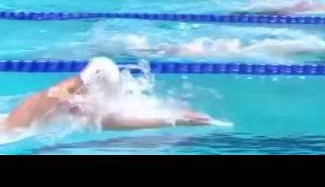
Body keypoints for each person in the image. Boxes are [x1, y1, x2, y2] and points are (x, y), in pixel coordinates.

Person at [0, 58, 212, 132]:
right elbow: (114, 121)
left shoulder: (66, 98)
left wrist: (175, 117)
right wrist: (173, 118)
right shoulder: (66, 103)